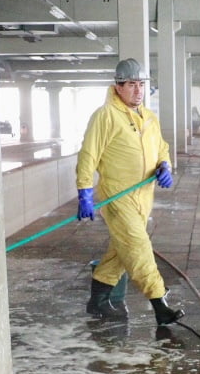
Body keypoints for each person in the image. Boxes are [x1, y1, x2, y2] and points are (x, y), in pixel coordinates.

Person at [76, 58, 183, 325]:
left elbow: (162, 148)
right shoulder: (105, 116)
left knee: (120, 249)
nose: (138, 90)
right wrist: (84, 192)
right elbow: (88, 155)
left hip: (143, 197)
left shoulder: (149, 117)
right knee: (138, 247)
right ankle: (160, 303)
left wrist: (165, 165)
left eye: (141, 85)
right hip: (117, 197)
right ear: (118, 86)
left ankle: (98, 301)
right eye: (132, 85)